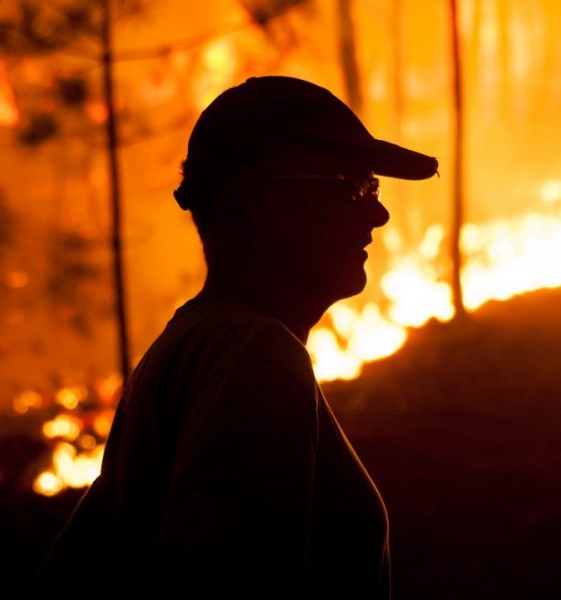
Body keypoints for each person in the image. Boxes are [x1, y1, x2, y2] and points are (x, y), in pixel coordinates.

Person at [35, 76, 438, 597]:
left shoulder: (189, 349)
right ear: (258, 205)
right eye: (350, 185)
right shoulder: (257, 359)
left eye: (374, 189)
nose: (377, 213)